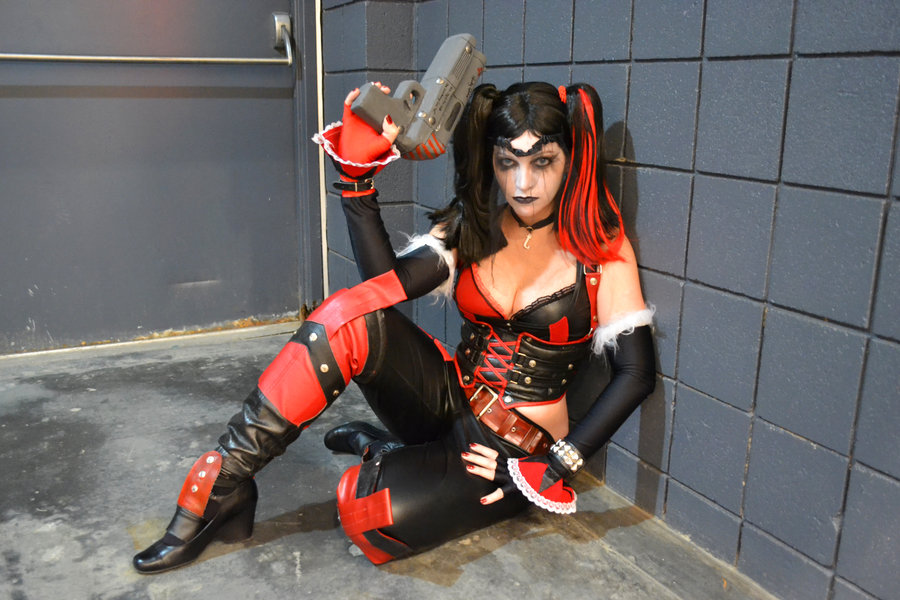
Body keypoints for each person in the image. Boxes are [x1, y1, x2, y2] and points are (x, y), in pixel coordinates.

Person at [132, 81, 656, 572]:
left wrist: (554, 468)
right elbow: (382, 288)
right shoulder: (475, 225)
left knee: (368, 513)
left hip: (510, 450)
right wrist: (357, 183)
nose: (523, 183)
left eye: (543, 161)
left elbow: (635, 374)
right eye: (507, 162)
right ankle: (223, 483)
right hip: (450, 396)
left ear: (571, 158)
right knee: (346, 316)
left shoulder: (599, 248)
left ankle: (384, 450)